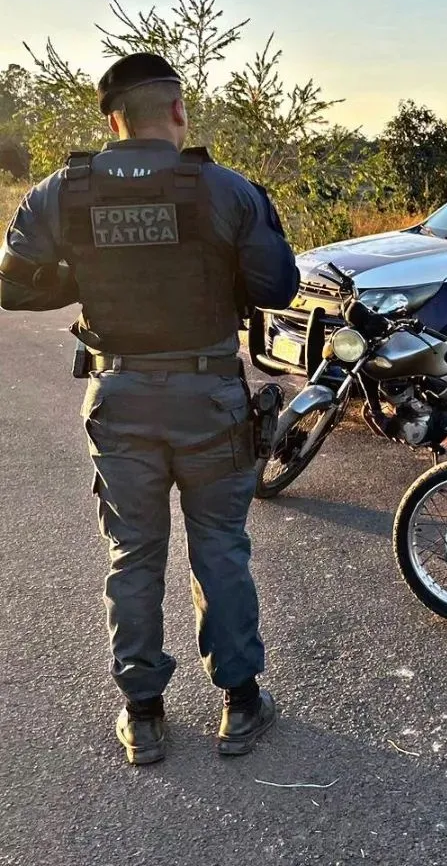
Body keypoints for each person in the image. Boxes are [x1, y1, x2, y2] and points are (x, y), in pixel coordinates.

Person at [0, 53, 300, 764]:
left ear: (113, 118)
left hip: (120, 392)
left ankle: (143, 714)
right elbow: (278, 285)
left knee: (132, 552)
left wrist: (89, 273)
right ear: (178, 112)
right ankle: (240, 704)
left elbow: (12, 288)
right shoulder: (226, 189)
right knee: (219, 548)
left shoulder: (62, 192)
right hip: (208, 395)